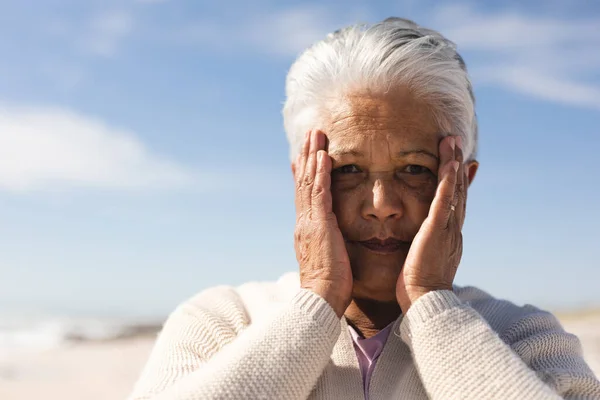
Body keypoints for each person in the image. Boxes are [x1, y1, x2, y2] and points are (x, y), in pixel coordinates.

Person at [128, 18, 600, 399]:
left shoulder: (523, 336)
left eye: (414, 169)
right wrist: (316, 300)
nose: (381, 206)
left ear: (462, 184)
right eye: (348, 170)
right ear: (305, 180)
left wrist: (431, 302)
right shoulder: (222, 320)